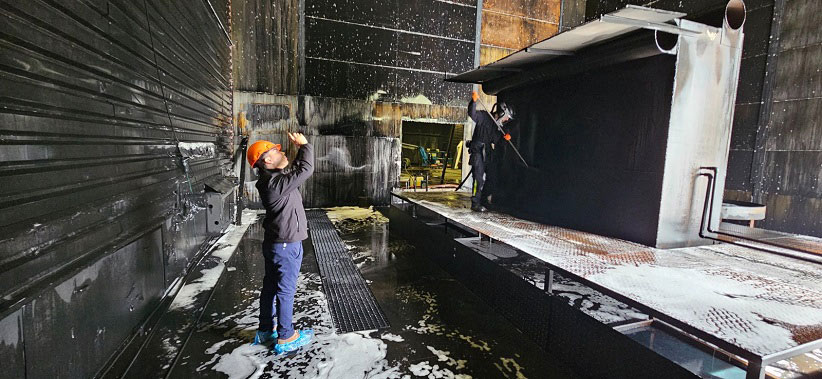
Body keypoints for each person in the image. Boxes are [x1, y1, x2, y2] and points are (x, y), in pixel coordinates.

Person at [247, 132, 314, 355]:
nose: (283, 151)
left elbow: (294, 171)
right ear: (267, 160)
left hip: (276, 243)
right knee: (285, 290)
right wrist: (305, 146)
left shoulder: (271, 180)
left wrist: (299, 151)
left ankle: (266, 329)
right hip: (286, 245)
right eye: (277, 151)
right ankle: (286, 336)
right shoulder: (276, 184)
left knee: (270, 287)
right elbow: (305, 170)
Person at [467, 91, 514, 212]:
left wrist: (505, 139)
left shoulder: (496, 128)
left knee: (492, 177)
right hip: (478, 151)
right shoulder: (484, 116)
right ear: (502, 113)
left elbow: (497, 141)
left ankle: (483, 200)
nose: (505, 121)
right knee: (478, 177)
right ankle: (475, 203)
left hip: (487, 152)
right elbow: (472, 114)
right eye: (506, 118)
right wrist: (474, 101)